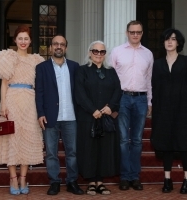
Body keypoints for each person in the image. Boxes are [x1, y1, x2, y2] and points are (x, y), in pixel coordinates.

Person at [0, 26, 44, 195]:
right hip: (12, 99)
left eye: (26, 38)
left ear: (30, 41)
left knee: (27, 139)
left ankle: (23, 177)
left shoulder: (36, 60)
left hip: (30, 101)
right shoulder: (8, 57)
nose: (23, 42)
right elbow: (4, 84)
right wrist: (3, 105)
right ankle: (13, 178)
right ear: (15, 40)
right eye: (20, 38)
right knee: (12, 139)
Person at [35, 35, 84, 196]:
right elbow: (39, 92)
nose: (58, 46)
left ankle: (72, 181)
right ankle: (54, 182)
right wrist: (40, 113)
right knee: (51, 152)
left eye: (62, 44)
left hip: (71, 117)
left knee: (72, 152)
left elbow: (80, 92)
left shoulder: (75, 67)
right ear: (50, 47)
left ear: (66, 48)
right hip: (50, 116)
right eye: (55, 44)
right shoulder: (42, 68)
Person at [110, 20, 154, 190]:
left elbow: (149, 80)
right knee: (122, 140)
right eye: (132, 32)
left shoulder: (148, 54)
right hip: (122, 98)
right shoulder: (117, 52)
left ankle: (134, 177)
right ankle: (124, 176)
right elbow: (112, 80)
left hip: (141, 99)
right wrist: (112, 104)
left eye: (138, 32)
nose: (135, 35)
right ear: (127, 32)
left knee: (136, 140)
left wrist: (150, 101)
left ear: (142, 33)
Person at [75, 40, 121, 195]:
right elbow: (79, 93)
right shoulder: (82, 71)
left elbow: (117, 91)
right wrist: (92, 110)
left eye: (102, 52)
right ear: (90, 52)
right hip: (88, 117)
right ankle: (91, 182)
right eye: (95, 51)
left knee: (104, 150)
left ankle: (100, 182)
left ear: (105, 54)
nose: (99, 54)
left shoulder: (111, 72)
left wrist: (111, 107)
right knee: (89, 150)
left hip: (106, 118)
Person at [151, 28, 187, 194]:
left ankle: (186, 180)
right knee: (166, 145)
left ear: (178, 42)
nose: (170, 42)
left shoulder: (185, 62)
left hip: (183, 110)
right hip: (163, 110)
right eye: (167, 39)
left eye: (173, 39)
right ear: (163, 42)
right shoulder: (157, 64)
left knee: (184, 144)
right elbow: (155, 88)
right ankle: (167, 179)